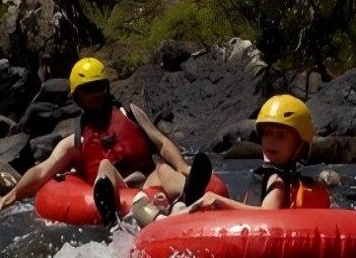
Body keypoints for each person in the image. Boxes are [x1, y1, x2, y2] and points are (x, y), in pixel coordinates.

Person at [0, 57, 211, 223]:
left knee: (163, 168)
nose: (96, 94)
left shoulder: (130, 113)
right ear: (78, 96)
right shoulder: (74, 142)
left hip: (148, 180)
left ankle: (188, 192)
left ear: (106, 87)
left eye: (99, 87)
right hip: (118, 187)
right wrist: (14, 194)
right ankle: (108, 210)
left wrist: (182, 166)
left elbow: (161, 142)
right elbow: (42, 171)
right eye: (89, 90)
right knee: (105, 166)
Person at [133, 95, 328, 225]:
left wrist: (221, 202)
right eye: (267, 134)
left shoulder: (277, 180)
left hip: (256, 233)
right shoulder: (279, 176)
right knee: (207, 203)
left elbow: (269, 215)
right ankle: (177, 206)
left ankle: (161, 221)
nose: (271, 141)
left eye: (280, 135)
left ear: (300, 145)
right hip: (248, 229)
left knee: (209, 202)